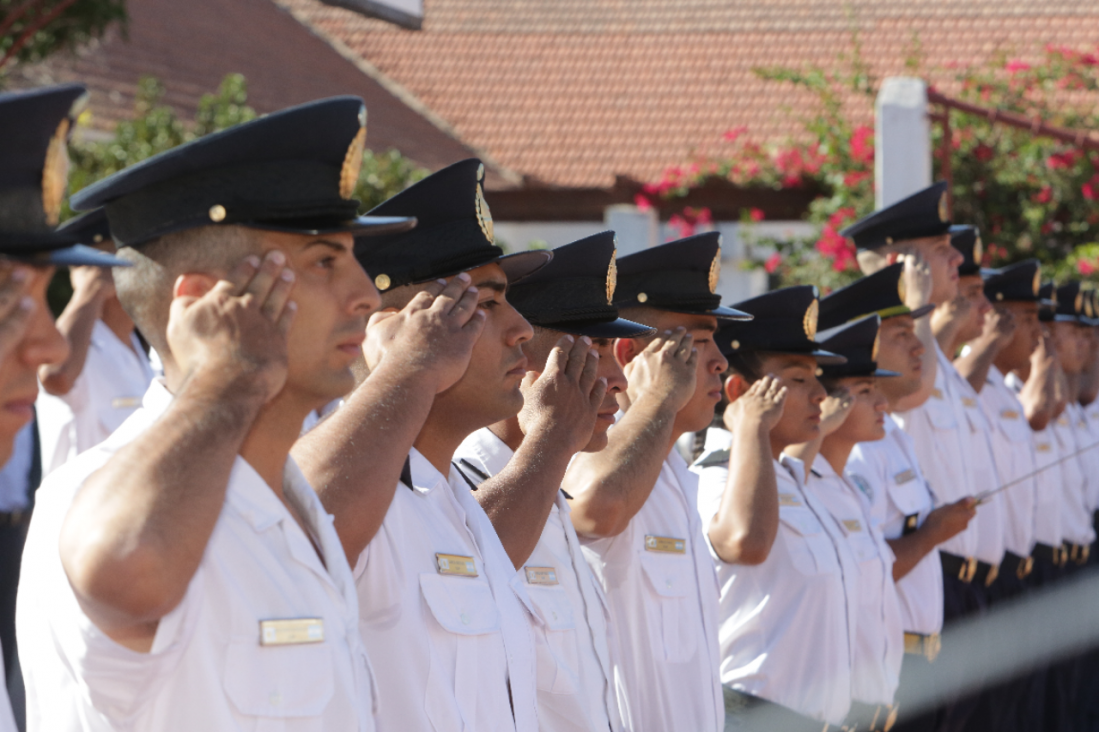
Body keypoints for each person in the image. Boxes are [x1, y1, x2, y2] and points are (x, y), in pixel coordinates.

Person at [17, 95, 415, 731]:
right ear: (206, 303)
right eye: (323, 262)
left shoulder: (289, 497)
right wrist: (225, 379)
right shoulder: (94, 495)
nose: (367, 294)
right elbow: (129, 563)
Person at [297, 158, 552, 732]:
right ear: (398, 327)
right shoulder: (360, 490)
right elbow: (299, 520)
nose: (522, 329)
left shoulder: (453, 498)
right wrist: (405, 371)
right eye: (485, 303)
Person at [454, 232, 653, 732]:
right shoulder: (463, 486)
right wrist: (553, 439)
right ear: (528, 363)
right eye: (593, 352)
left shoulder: (553, 495)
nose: (618, 379)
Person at [564, 232, 750, 732]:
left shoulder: (673, 474)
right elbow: (593, 507)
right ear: (629, 353)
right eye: (698, 341)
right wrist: (661, 398)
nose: (720, 362)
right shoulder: (589, 449)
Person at [0, 82, 131, 732]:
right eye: (6, 296)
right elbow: (61, 374)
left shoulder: (135, 356)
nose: (42, 341)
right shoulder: (82, 339)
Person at [693, 285, 857, 730]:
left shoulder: (788, 476)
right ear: (740, 390)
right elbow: (744, 541)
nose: (821, 393)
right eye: (799, 379)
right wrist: (750, 428)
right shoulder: (717, 476)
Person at [822, 264, 975, 732]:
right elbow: (863, 569)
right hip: (887, 662)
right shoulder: (854, 451)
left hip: (917, 654)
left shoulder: (892, 435)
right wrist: (934, 533)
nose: (916, 346)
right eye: (900, 332)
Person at [798, 315, 905, 732]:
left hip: (878, 707)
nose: (883, 405)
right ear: (827, 404)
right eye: (865, 392)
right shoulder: (803, 487)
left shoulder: (848, 488)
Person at [973, 260, 1045, 732]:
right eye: (1030, 320)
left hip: (1019, 572)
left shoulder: (999, 391)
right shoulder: (971, 385)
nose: (1042, 335)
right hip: (982, 582)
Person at [37, 209, 155, 475]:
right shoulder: (81, 347)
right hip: (81, 512)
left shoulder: (136, 347)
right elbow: (56, 375)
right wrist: (90, 290)